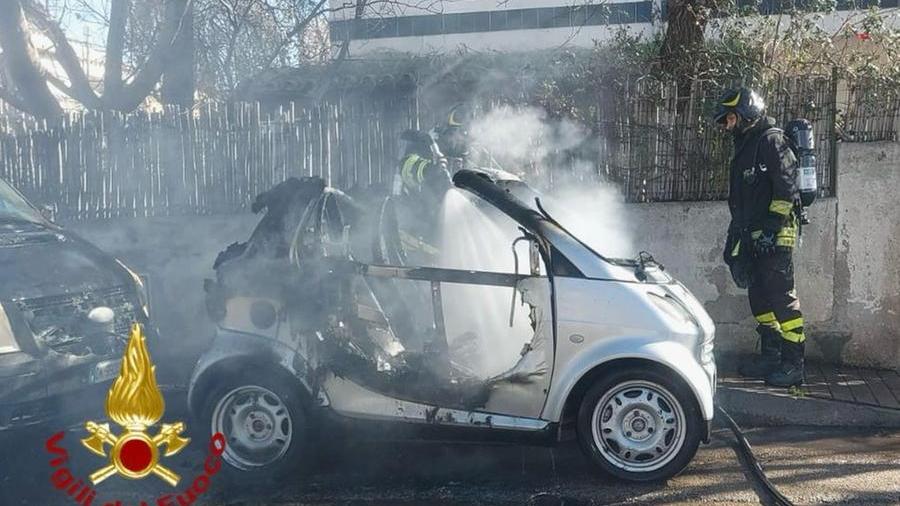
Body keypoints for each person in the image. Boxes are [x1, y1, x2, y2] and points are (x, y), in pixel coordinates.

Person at [714, 87, 806, 388]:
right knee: (758, 295)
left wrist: (770, 228)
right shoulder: (747, 144)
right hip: (751, 233)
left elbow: (787, 189)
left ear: (746, 113)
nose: (727, 126)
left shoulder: (771, 141)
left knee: (780, 296)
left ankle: (794, 365)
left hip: (777, 235)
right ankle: (771, 354)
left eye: (729, 118)